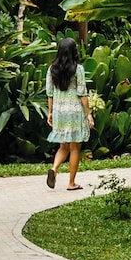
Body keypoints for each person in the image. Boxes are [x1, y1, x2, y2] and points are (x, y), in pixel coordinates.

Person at [45, 37, 94, 191]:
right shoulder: (77, 69)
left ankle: (54, 169)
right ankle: (71, 183)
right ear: (74, 51)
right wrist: (88, 113)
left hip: (59, 111)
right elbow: (82, 93)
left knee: (63, 147)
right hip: (74, 111)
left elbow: (50, 93)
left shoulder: (52, 69)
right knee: (74, 148)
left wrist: (50, 112)